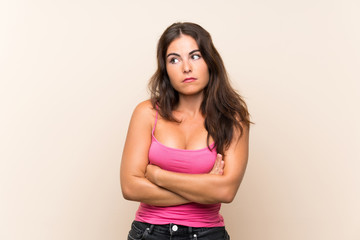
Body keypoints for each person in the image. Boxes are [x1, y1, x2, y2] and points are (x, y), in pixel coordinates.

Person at [120, 22, 251, 240]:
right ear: (165, 68)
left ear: (210, 61)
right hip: (149, 232)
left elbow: (225, 191)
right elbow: (130, 187)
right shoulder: (146, 113)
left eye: (195, 56)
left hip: (208, 234)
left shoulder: (233, 117)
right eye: (174, 59)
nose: (186, 68)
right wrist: (204, 187)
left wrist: (157, 175)